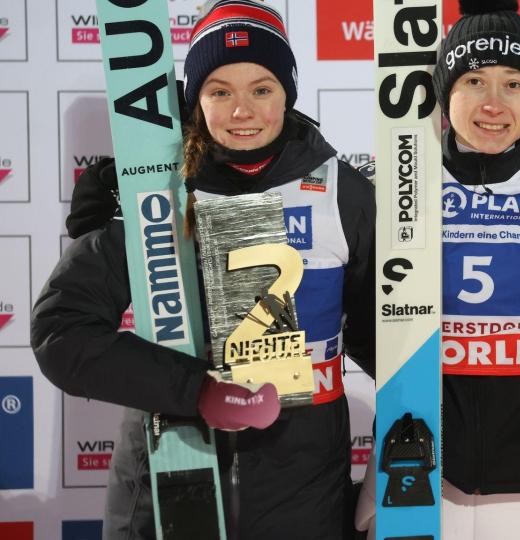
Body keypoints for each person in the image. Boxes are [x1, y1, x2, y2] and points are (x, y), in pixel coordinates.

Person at [30, 2, 375, 539]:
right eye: (219, 92)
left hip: (301, 493)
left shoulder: (338, 191)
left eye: (261, 89)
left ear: (287, 92)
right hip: (167, 477)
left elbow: (386, 334)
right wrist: (197, 390)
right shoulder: (155, 190)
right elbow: (62, 331)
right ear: (195, 99)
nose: (242, 111)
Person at [356, 1, 520, 538]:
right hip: (418, 461)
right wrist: (397, 364)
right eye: (474, 81)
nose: (494, 104)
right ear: (446, 91)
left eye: (513, 84)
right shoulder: (395, 187)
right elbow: (350, 302)